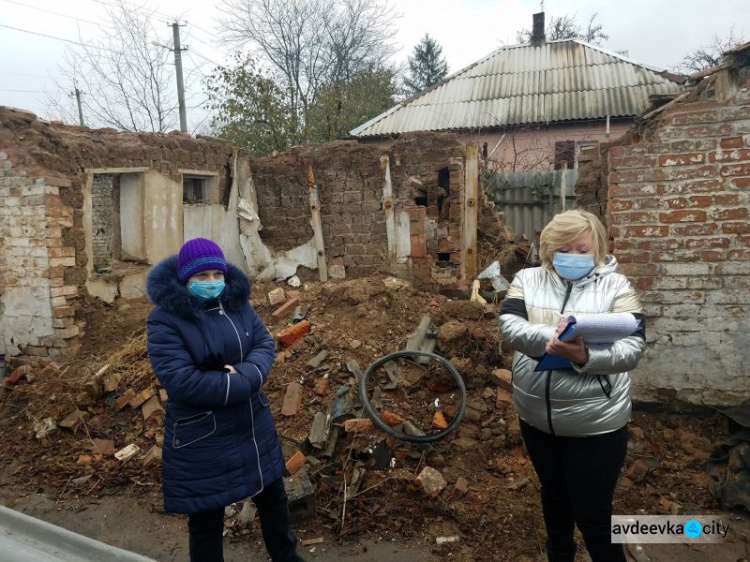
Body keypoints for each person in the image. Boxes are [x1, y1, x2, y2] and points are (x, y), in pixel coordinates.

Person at [499, 209, 646, 562]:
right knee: (553, 499)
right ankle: (559, 555)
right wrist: (557, 337)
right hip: (536, 417)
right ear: (550, 248)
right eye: (565, 249)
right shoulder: (528, 280)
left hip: (595, 424)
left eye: (583, 250)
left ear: (597, 249)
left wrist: (583, 356)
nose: (574, 257)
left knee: (593, 515)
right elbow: (509, 327)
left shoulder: (616, 286)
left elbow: (633, 347)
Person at [146, 237, 305, 562]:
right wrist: (240, 381)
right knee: (207, 516)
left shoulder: (238, 305)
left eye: (217, 275)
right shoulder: (165, 320)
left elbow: (263, 343)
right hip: (204, 435)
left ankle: (286, 557)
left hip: (252, 424)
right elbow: (181, 381)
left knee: (273, 496)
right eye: (201, 277)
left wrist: (244, 376)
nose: (212, 283)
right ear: (185, 279)